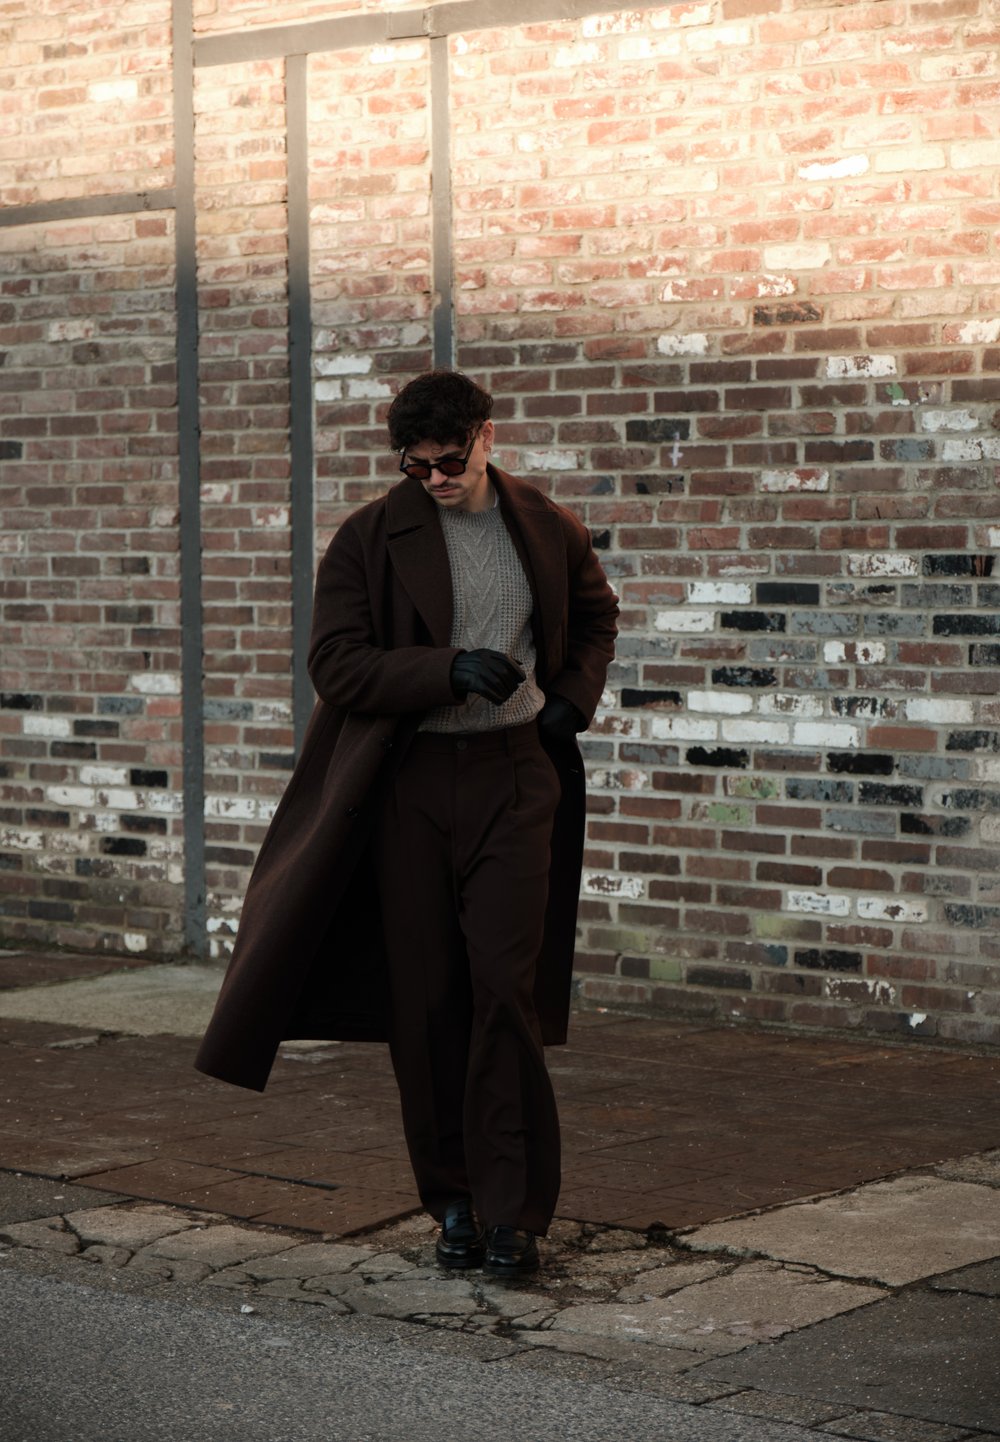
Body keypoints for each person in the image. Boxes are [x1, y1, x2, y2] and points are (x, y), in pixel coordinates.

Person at [195, 369, 618, 1277]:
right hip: (407, 787)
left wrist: (570, 704)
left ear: (487, 439)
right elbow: (336, 665)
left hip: (515, 780)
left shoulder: (543, 523)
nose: (434, 478)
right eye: (415, 464)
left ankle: (516, 1212)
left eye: (450, 462)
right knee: (426, 1002)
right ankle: (455, 1201)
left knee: (504, 990)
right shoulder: (368, 538)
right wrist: (443, 670)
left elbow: (595, 617)